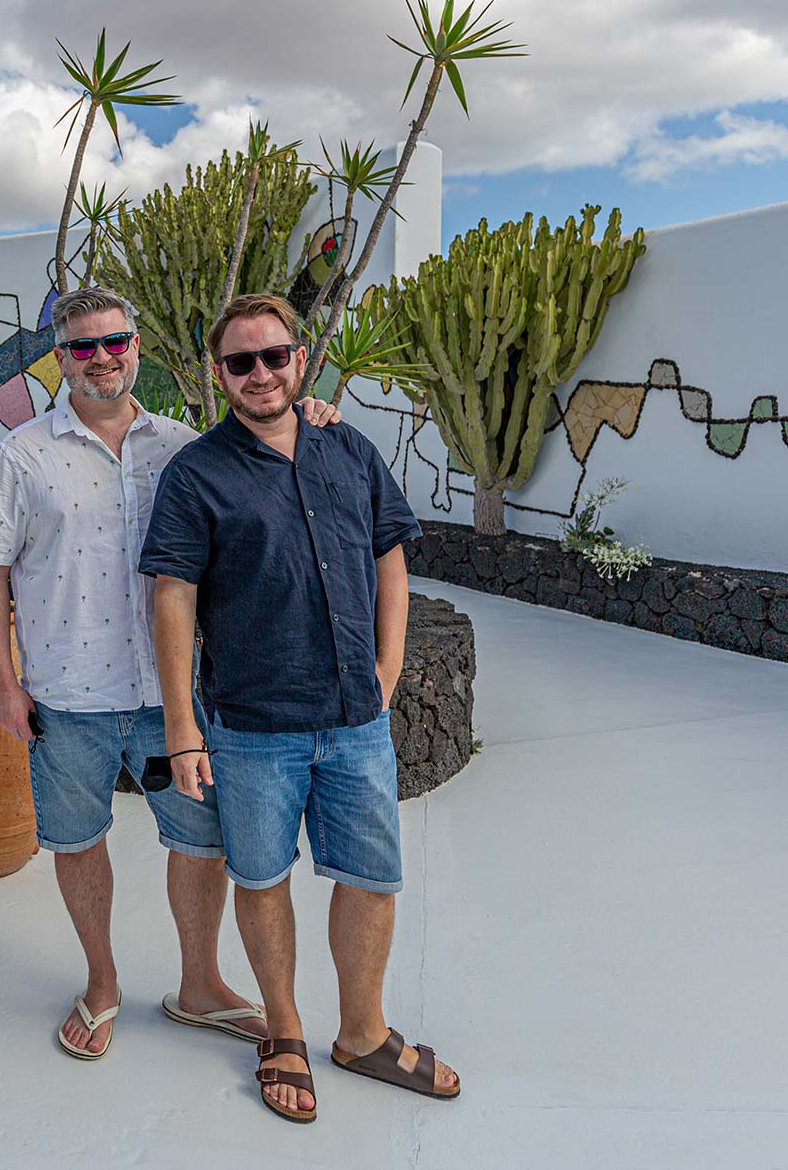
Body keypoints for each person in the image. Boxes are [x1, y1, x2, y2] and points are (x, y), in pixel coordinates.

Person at [0, 285, 343, 1061]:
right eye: (83, 346)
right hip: (66, 697)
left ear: (137, 345)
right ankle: (101, 983)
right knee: (78, 838)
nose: (102, 358)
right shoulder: (22, 453)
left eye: (115, 342)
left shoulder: (183, 446)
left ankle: (199, 985)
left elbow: (269, 434)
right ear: (60, 358)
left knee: (200, 839)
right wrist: (5, 683)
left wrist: (314, 415)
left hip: (170, 697)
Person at [140, 292, 461, 1122]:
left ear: (300, 359)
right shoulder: (197, 472)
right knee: (261, 876)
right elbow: (171, 595)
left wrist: (388, 666)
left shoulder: (348, 448)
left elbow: (390, 553)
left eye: (274, 356)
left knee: (373, 878)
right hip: (251, 726)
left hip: (356, 718)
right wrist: (183, 727)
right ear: (220, 375)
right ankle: (283, 1029)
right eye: (241, 362)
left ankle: (363, 1033)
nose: (260, 373)